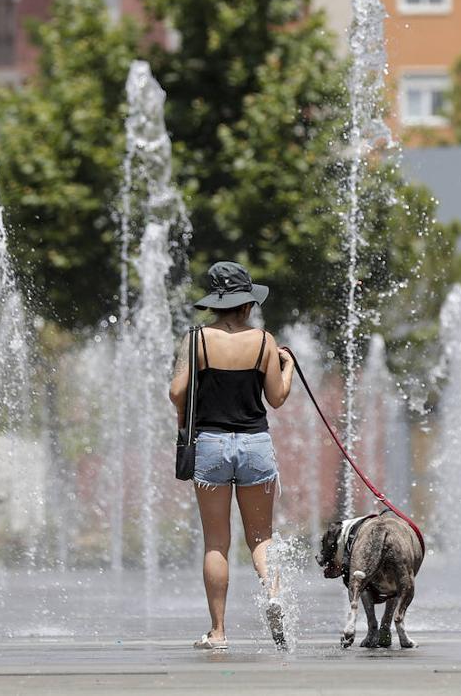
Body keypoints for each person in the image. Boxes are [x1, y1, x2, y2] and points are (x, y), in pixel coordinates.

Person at [169, 261, 294, 650]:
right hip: (255, 443)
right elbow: (276, 397)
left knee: (216, 543)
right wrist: (287, 366)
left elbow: (176, 393)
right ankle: (273, 594)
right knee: (261, 537)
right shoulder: (263, 341)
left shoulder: (196, 340)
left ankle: (218, 632)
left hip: (210, 443)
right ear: (245, 305)